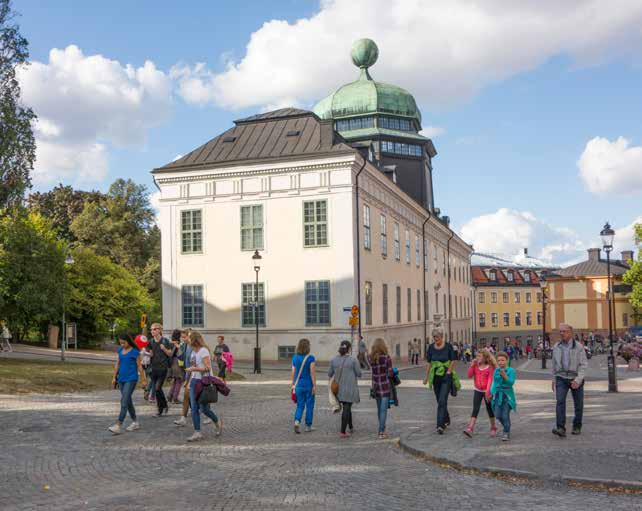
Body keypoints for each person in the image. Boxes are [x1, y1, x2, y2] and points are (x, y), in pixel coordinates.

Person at [185, 330, 223, 442]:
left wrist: (194, 369)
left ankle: (217, 421)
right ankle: (197, 432)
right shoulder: (193, 352)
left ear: (194, 339)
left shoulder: (203, 351)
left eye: (188, 338)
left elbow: (207, 368)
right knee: (194, 408)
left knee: (204, 409)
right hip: (194, 382)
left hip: (203, 382)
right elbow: (193, 368)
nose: (187, 339)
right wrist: (189, 381)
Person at [551, 323, 588, 437]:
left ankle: (577, 426)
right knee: (560, 402)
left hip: (575, 377)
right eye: (560, 331)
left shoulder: (578, 347)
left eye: (564, 331)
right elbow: (554, 364)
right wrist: (553, 379)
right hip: (561, 377)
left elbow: (583, 365)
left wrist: (578, 380)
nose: (562, 333)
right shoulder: (556, 346)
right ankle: (560, 428)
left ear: (570, 333)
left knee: (578, 404)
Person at [108, 333, 147, 434]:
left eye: (123, 343)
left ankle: (118, 424)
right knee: (128, 401)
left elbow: (140, 366)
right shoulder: (120, 350)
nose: (122, 345)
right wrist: (114, 377)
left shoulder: (135, 352)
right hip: (121, 379)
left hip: (131, 379)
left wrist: (143, 379)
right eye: (120, 343)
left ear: (128, 341)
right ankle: (135, 422)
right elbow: (117, 364)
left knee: (124, 401)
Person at [423, 328, 457, 434]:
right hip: (435, 378)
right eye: (434, 337)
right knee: (439, 400)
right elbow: (429, 363)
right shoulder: (431, 348)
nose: (435, 339)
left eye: (437, 337)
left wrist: (449, 372)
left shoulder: (448, 347)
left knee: (442, 400)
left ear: (442, 337)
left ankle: (440, 425)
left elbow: (453, 360)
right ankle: (446, 418)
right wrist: (426, 377)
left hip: (446, 377)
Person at [328, 340, 362, 438]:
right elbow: (359, 373)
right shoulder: (353, 360)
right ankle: (342, 431)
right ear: (349, 349)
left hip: (338, 389)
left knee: (347, 407)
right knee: (347, 408)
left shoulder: (334, 360)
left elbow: (330, 374)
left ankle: (350, 426)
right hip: (350, 388)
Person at [463, 350, 497, 437]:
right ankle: (470, 428)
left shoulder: (490, 368)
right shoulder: (475, 366)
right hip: (477, 390)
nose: (477, 358)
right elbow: (469, 375)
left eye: (479, 356)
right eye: (477, 356)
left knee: (489, 409)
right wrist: (471, 365)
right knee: (475, 409)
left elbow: (490, 380)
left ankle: (493, 427)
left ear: (485, 358)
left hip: (487, 391)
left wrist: (488, 392)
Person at [369, 338, 394, 439]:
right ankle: (381, 431)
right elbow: (390, 373)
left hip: (376, 387)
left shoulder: (371, 358)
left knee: (379, 410)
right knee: (383, 410)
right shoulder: (387, 358)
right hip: (385, 386)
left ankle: (382, 430)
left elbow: (372, 373)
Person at [291, 338, 316, 433]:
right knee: (309, 406)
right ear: (308, 347)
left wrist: (293, 384)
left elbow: (293, 371)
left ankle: (297, 421)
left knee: (300, 405)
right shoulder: (311, 358)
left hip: (298, 386)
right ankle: (308, 426)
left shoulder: (295, 357)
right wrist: (314, 385)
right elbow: (312, 373)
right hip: (308, 385)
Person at [490, 352, 516, 441]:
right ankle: (506, 425)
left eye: (502, 360)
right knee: (497, 415)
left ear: (507, 360)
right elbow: (494, 383)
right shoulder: (496, 371)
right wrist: (491, 393)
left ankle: (506, 432)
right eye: (499, 361)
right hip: (497, 395)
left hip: (507, 396)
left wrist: (505, 376)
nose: (501, 362)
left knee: (505, 415)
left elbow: (511, 383)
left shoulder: (511, 370)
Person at [149, 323, 173, 417]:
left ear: (160, 330)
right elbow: (151, 354)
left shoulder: (165, 341)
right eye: (151, 329)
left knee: (158, 388)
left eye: (154, 329)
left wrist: (164, 349)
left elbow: (170, 354)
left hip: (163, 368)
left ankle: (160, 409)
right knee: (157, 390)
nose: (152, 331)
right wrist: (145, 354)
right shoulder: (151, 341)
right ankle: (164, 405)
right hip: (154, 368)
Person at [173, 330, 194, 427]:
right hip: (188, 374)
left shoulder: (195, 347)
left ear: (190, 336)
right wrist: (179, 348)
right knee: (186, 397)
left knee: (196, 398)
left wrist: (188, 379)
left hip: (195, 375)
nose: (183, 339)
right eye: (182, 337)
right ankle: (183, 418)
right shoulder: (185, 346)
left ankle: (209, 415)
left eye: (184, 337)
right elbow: (181, 358)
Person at [168, 329, 185, 404]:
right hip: (177, 362)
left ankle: (169, 396)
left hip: (172, 363)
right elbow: (180, 353)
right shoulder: (177, 343)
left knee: (174, 380)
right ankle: (175, 398)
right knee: (179, 380)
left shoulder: (170, 342)